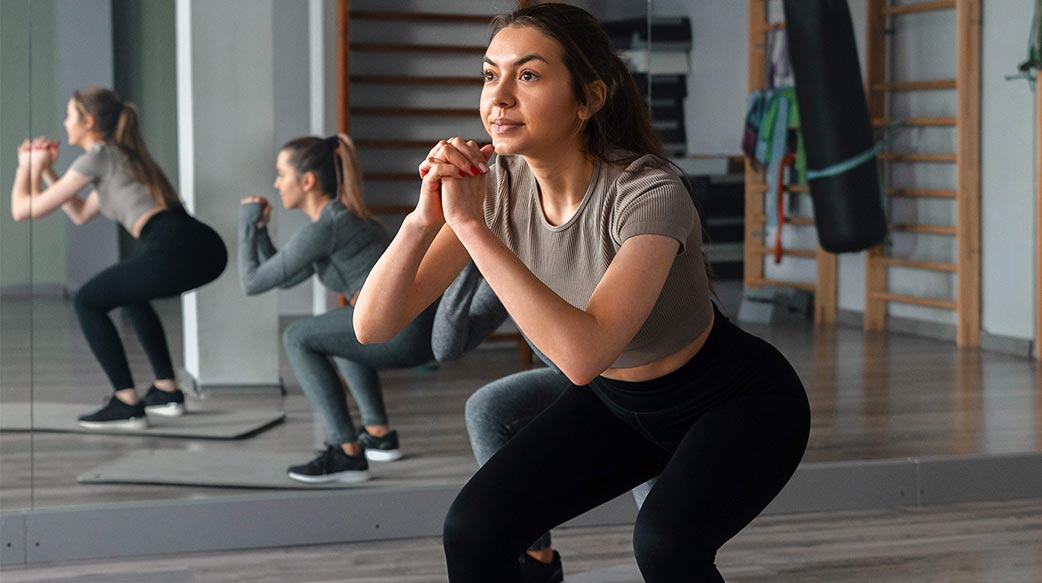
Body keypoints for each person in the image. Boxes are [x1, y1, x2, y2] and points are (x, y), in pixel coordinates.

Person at [353, 4, 810, 582]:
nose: (498, 97)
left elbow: (580, 357)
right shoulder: (498, 190)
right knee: (473, 528)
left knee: (667, 547)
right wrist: (424, 219)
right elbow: (372, 326)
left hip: (738, 403)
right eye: (490, 74)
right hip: (621, 406)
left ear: (589, 99)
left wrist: (470, 228)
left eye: (528, 75)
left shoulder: (648, 192)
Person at [9, 87, 227, 429]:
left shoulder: (97, 156)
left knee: (87, 301)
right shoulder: (119, 156)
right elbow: (79, 211)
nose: (65, 123)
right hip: (200, 245)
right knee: (131, 296)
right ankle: (167, 392)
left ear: (88, 121)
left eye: (70, 115)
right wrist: (50, 172)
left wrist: (28, 167)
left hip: (177, 245)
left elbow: (23, 209)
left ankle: (126, 403)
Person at [433, 261, 659, 583]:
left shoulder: (575, 239)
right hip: (577, 379)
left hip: (638, 376)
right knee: (488, 409)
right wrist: (471, 257)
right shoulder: (508, 253)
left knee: (660, 540)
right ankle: (539, 559)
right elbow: (445, 347)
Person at [238, 134, 438, 484]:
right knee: (337, 332)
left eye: (281, 174)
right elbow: (282, 276)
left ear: (307, 181)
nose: (276, 183)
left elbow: (253, 281)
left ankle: (345, 451)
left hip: (401, 333)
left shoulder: (327, 227)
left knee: (298, 336)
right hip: (412, 328)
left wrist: (245, 221)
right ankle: (377, 433)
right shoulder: (345, 218)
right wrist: (259, 231)